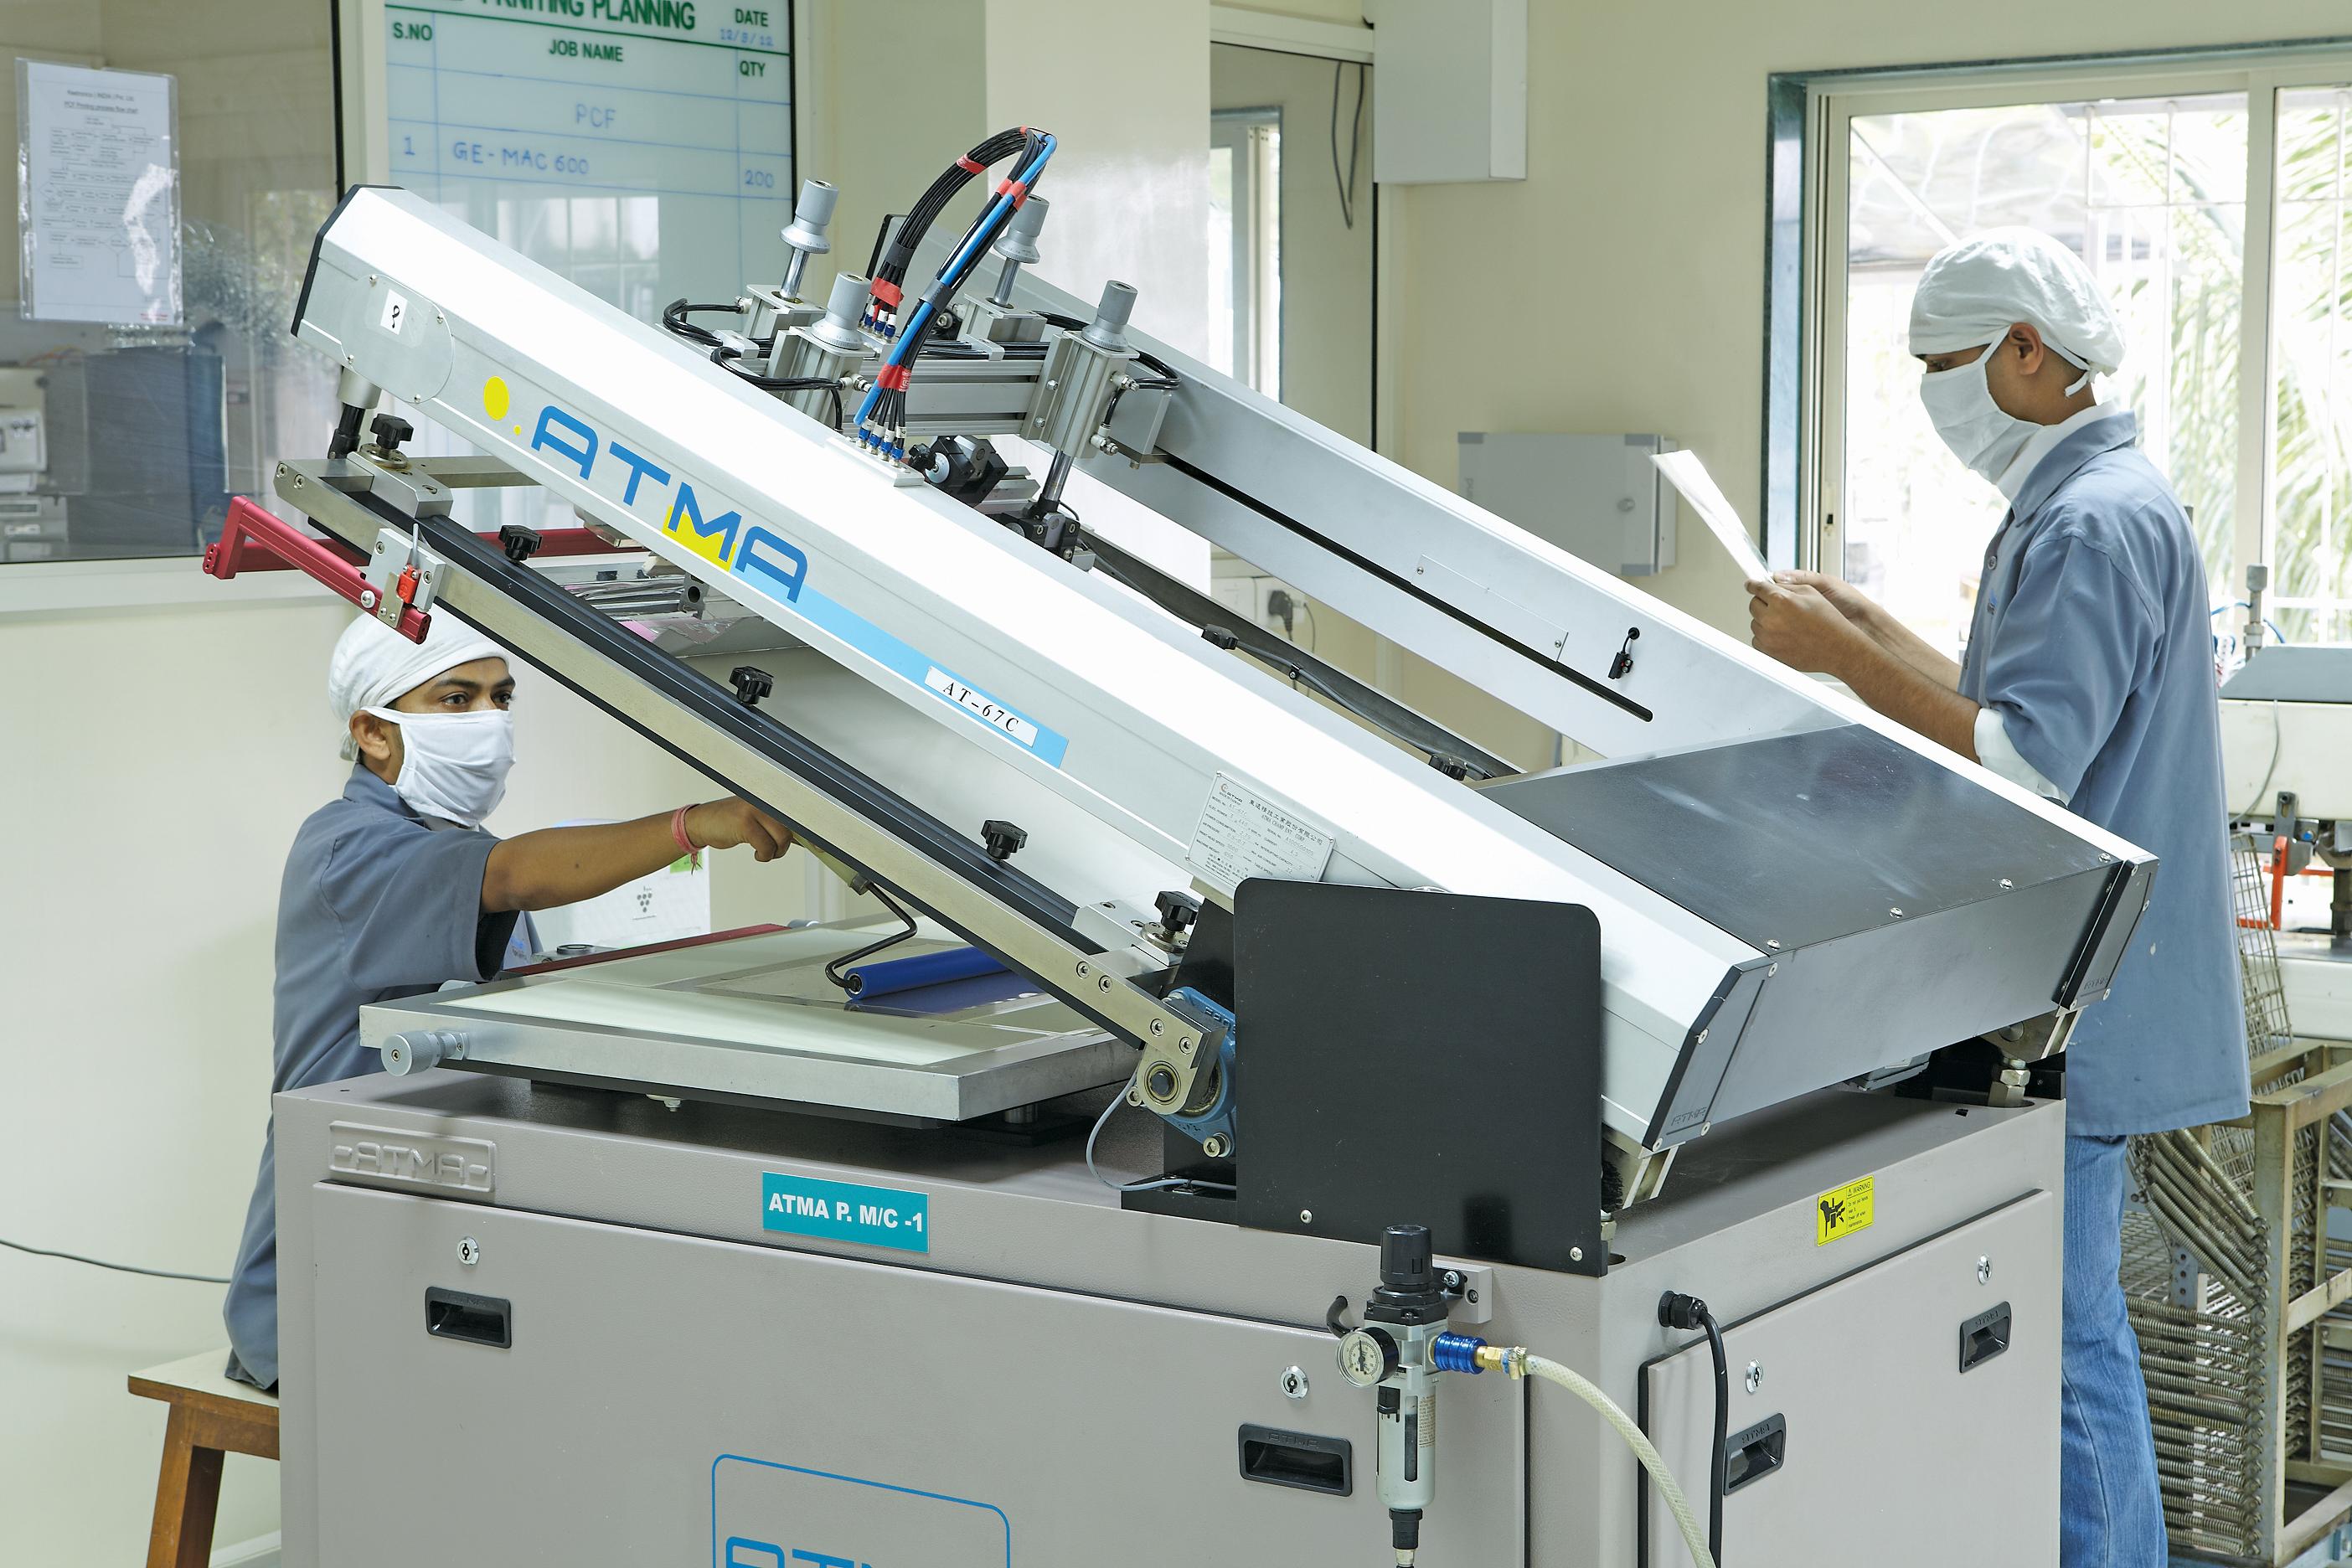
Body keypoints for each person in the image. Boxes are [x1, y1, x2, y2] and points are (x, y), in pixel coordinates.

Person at [1746, 226, 2248, 1567]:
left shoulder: (2090, 523)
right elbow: (1999, 698)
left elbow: (2024, 758)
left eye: (1943, 367)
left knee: (2071, 1341)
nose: (1933, 397)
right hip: (2079, 989)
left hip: (2088, 1001)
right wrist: (1859, 632)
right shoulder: (2089, 501)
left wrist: (1844, 664)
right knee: (2067, 1331)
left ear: (2026, 350)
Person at [223, 611, 794, 1390]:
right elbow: (514, 874)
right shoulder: (347, 846)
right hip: (331, 1270)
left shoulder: (446, 842)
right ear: (374, 733)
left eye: (502, 697)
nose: (490, 721)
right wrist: (692, 826)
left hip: (447, 1213)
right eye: (457, 700)